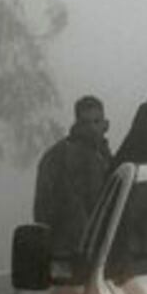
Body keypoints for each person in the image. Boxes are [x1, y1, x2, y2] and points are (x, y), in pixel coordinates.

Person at [32, 95, 112, 254]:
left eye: (96, 122)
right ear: (77, 124)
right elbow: (43, 211)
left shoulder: (109, 161)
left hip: (104, 255)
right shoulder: (57, 158)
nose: (92, 129)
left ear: (105, 125)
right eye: (85, 123)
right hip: (68, 255)